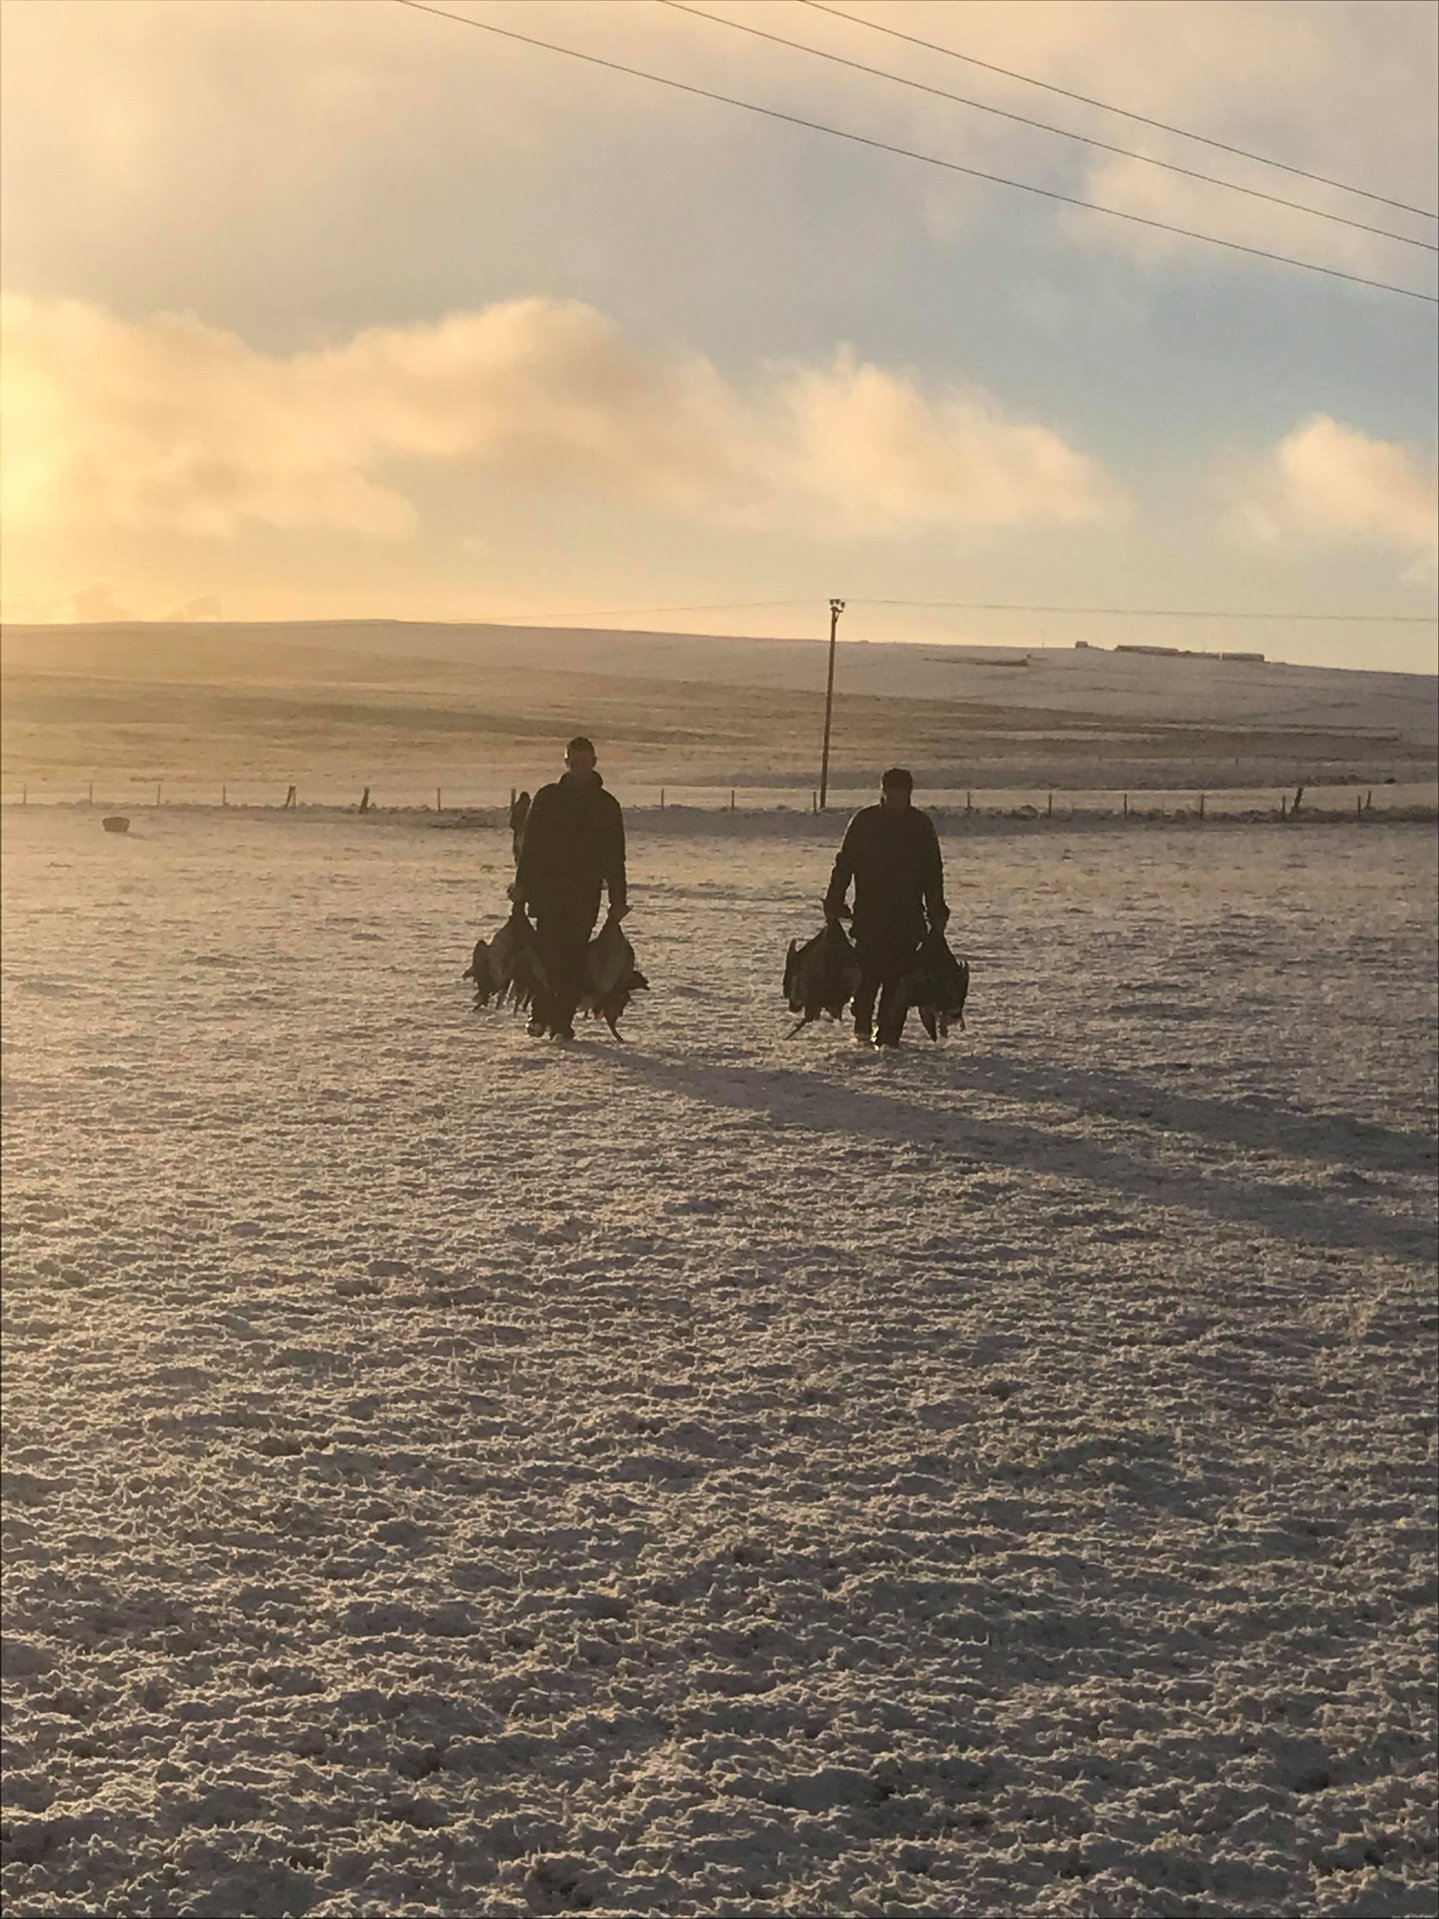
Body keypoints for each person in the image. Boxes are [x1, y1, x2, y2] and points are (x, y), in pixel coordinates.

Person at [511, 738, 628, 1042]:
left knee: (574, 957)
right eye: (574, 762)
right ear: (566, 763)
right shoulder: (547, 798)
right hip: (547, 891)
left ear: (594, 761)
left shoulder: (606, 805)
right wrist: (521, 885)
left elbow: (615, 856)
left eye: (585, 761)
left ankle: (561, 1021)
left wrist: (618, 900)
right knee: (546, 953)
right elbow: (531, 847)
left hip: (584, 893)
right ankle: (540, 1014)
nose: (580, 768)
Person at [823, 767, 948, 1048]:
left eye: (900, 793)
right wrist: (834, 900)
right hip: (870, 913)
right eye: (890, 792)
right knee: (868, 973)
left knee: (898, 978)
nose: (894, 798)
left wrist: (936, 908)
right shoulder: (864, 822)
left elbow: (932, 872)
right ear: (882, 791)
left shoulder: (920, 826)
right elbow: (845, 864)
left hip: (907, 916)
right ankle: (863, 1027)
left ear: (908, 793)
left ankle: (889, 1034)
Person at [509, 790, 531, 865]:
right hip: (522, 832)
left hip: (519, 832)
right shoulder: (523, 808)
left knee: (518, 852)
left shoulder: (518, 806)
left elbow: (512, 823)